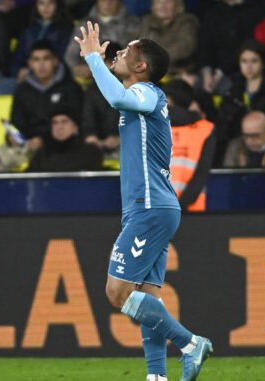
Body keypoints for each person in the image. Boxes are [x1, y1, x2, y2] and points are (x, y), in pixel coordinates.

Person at [75, 22, 213, 381]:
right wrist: (98, 63)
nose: (117, 53)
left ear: (141, 67)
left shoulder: (148, 93)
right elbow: (118, 97)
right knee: (147, 296)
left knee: (117, 293)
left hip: (150, 207)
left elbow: (118, 97)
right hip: (155, 208)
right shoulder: (142, 98)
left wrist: (93, 59)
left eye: (127, 51)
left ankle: (190, 343)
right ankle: (156, 377)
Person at [214, 40, 265, 166]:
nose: (249, 66)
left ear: (263, 63)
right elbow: (223, 125)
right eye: (244, 61)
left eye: (254, 61)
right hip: (237, 146)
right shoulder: (232, 90)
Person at [11, 40, 83, 144]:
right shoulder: (22, 90)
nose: (41, 65)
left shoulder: (71, 88)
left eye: (46, 59)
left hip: (63, 144)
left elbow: (77, 124)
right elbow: (16, 123)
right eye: (36, 60)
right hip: (29, 144)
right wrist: (12, 137)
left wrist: (43, 140)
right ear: (30, 64)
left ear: (55, 61)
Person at [163, 79, 216, 212]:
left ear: (168, 99)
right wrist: (182, 205)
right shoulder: (206, 129)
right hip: (192, 211)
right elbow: (203, 171)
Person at [196, 0, 265, 93]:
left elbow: (246, 48)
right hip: (210, 72)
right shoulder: (213, 11)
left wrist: (219, 74)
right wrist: (206, 72)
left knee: (226, 87)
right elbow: (204, 45)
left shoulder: (255, 11)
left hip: (238, 71)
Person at [64, 0, 139, 80]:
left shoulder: (133, 24)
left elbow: (136, 56)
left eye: (112, 1)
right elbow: (70, 57)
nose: (107, 4)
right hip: (88, 79)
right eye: (103, 0)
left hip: (121, 79)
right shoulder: (85, 24)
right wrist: (85, 68)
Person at [10, 0, 74, 81]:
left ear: (58, 5)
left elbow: (62, 59)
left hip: (54, 78)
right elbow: (17, 58)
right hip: (23, 78)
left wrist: (32, 72)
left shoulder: (66, 30)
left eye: (50, 3)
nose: (46, 8)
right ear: (36, 6)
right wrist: (17, 72)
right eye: (41, 3)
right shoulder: (28, 30)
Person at [132, 0, 199, 75]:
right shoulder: (147, 21)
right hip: (144, 71)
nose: (163, 6)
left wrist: (151, 58)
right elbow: (131, 44)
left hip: (176, 72)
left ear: (177, 5)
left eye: (168, 2)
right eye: (158, 2)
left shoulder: (186, 22)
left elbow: (184, 47)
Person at [27, 109, 104, 172]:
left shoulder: (90, 151)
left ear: (75, 127)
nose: (59, 127)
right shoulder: (42, 154)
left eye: (64, 121)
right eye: (55, 123)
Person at [82, 41, 121, 160]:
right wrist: (92, 138)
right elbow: (87, 120)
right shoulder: (93, 89)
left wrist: (121, 139)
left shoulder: (136, 86)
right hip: (99, 147)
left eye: (108, 62)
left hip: (129, 145)